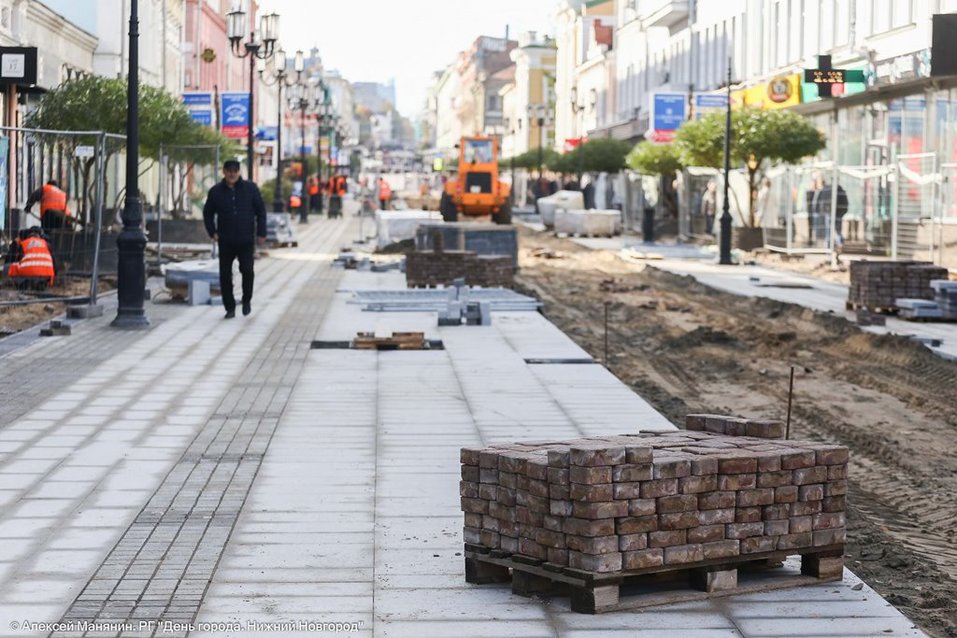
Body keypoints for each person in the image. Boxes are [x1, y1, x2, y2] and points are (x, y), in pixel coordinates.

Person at [202, 159, 267, 319]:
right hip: (225, 240)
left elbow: (261, 211)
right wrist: (213, 232)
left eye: (235, 171)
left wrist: (261, 233)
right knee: (225, 275)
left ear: (239, 172)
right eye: (229, 171)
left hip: (246, 239)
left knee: (247, 271)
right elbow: (207, 213)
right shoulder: (216, 191)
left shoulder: (250, 189)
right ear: (223, 172)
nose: (232, 174)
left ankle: (246, 300)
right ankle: (229, 307)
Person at [814, 181, 849, 251]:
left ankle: (833, 246)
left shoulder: (829, 189)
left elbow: (820, 202)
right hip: (832, 213)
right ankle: (836, 246)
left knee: (831, 231)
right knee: (834, 231)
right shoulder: (835, 189)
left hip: (834, 213)